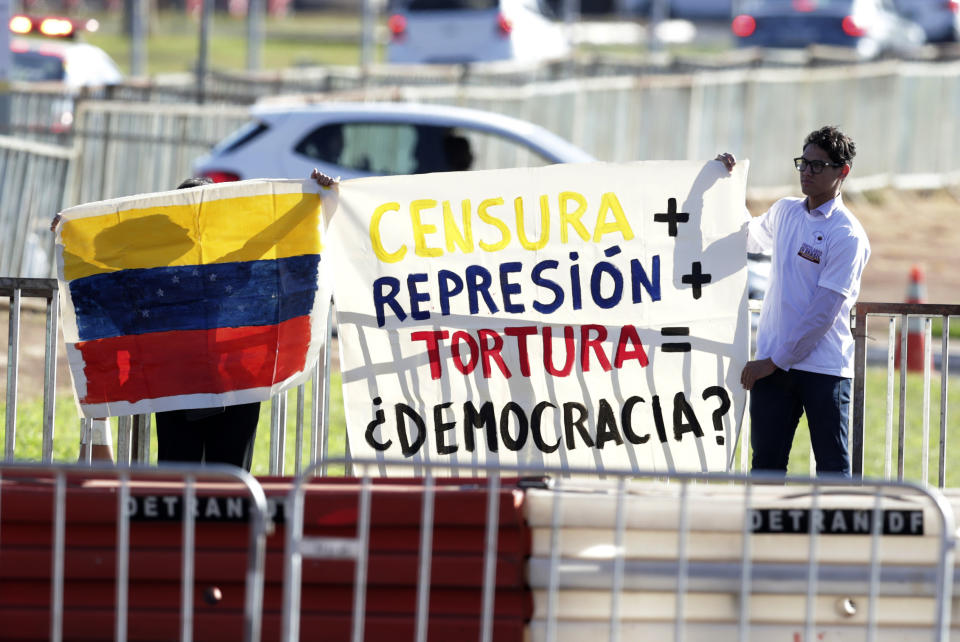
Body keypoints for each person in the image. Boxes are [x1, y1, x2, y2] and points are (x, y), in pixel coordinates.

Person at [717, 125, 870, 477]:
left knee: (833, 469)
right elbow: (748, 238)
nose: (807, 172)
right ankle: (765, 532)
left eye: (818, 166)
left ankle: (835, 534)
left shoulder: (847, 234)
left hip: (823, 369)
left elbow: (824, 313)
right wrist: (725, 185)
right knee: (766, 467)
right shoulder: (786, 211)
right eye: (804, 163)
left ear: (842, 171)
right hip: (773, 363)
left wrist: (774, 361)